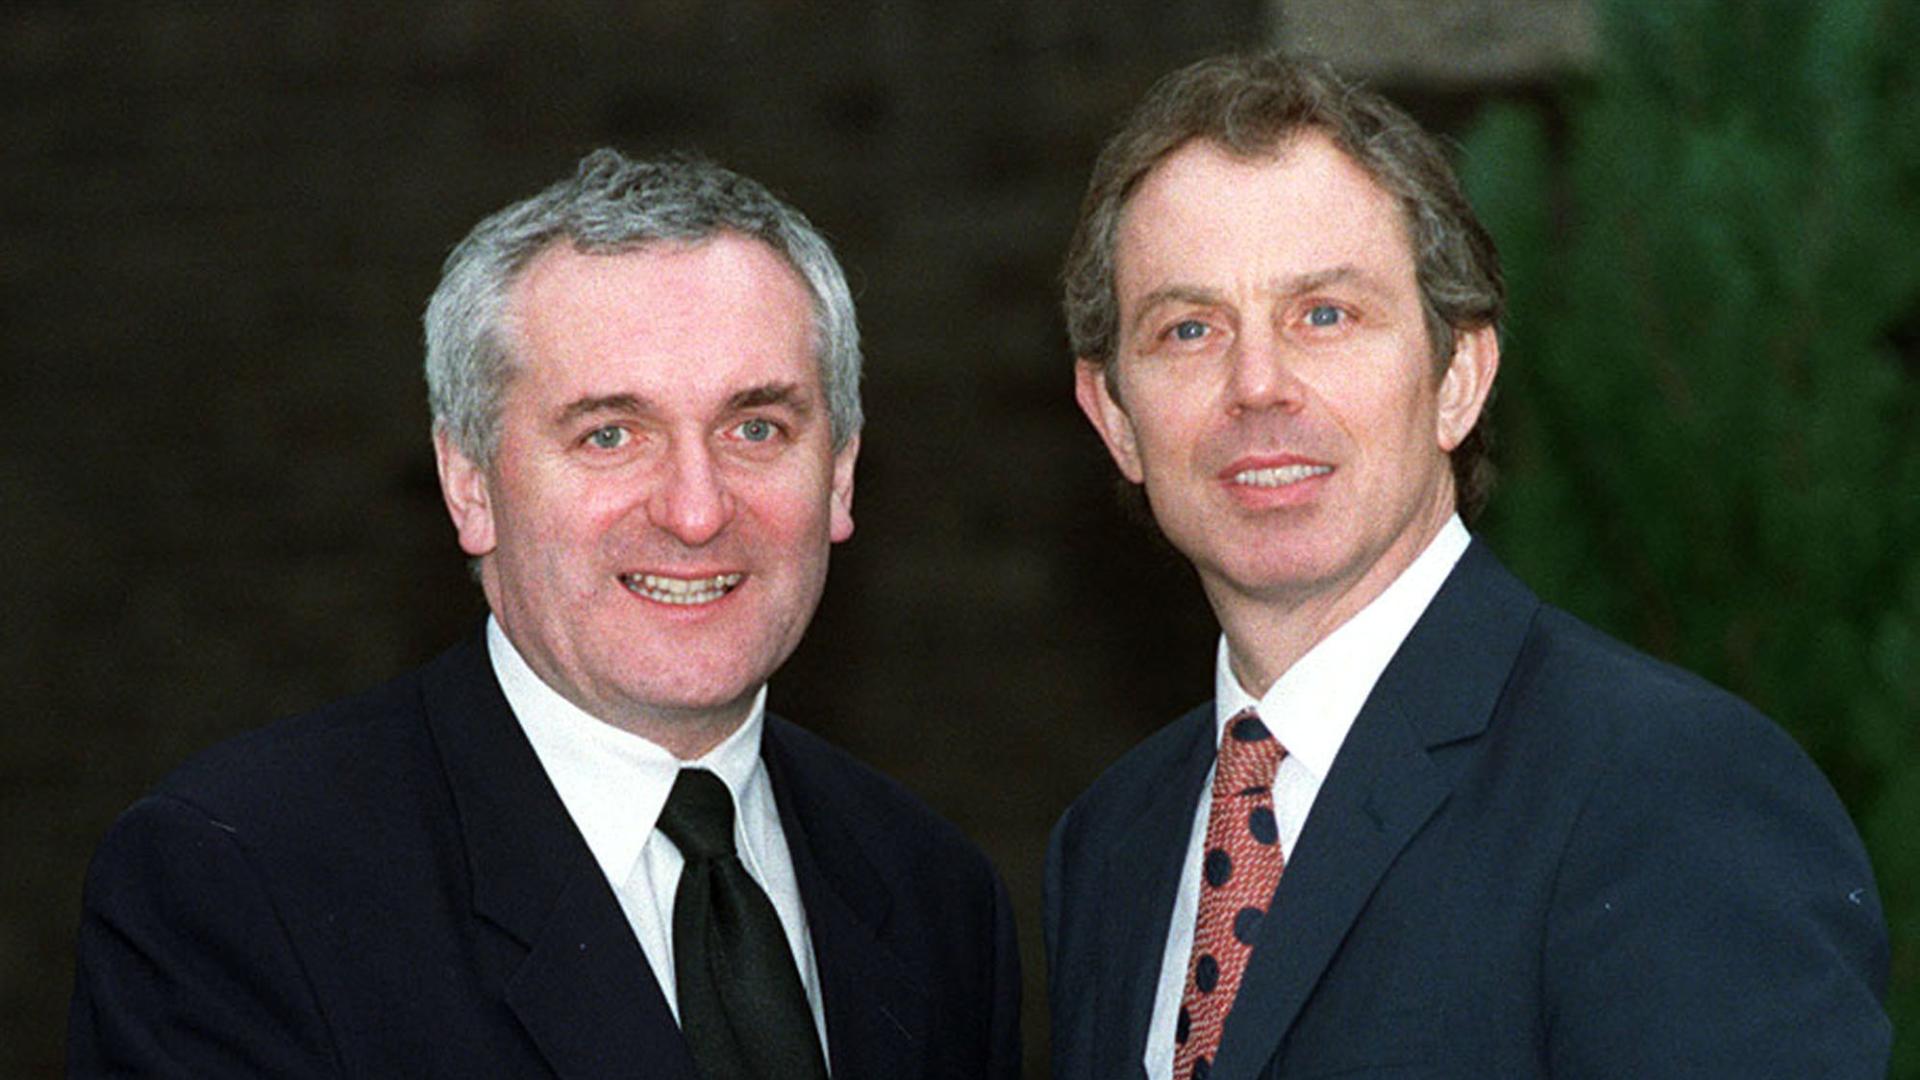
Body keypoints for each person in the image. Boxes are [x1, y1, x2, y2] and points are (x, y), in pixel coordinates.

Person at [70, 148, 1021, 1079]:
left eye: (756, 428)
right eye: (610, 434)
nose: (696, 510)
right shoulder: (243, 883)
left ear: (842, 475)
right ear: (469, 482)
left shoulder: (932, 894)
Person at [1044, 51, 1889, 1080]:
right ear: (1116, 418)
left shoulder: (1667, 793)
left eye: (1324, 315)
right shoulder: (1112, 844)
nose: (1257, 385)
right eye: (1189, 329)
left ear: (1459, 378)